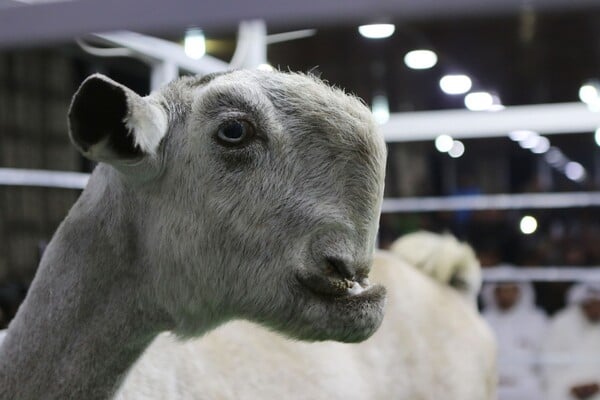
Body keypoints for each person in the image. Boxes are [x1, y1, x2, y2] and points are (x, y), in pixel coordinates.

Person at [482, 277, 548, 400]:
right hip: (490, 382)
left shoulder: (536, 319)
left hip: (526, 382)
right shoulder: (482, 320)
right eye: (501, 291)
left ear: (519, 292)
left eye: (510, 290)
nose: (505, 295)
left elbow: (545, 356)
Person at [541, 282, 600, 400]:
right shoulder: (561, 322)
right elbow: (548, 360)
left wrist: (596, 385)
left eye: (598, 305)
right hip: (565, 383)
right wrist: (570, 387)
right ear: (582, 304)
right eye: (591, 304)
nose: (595, 309)